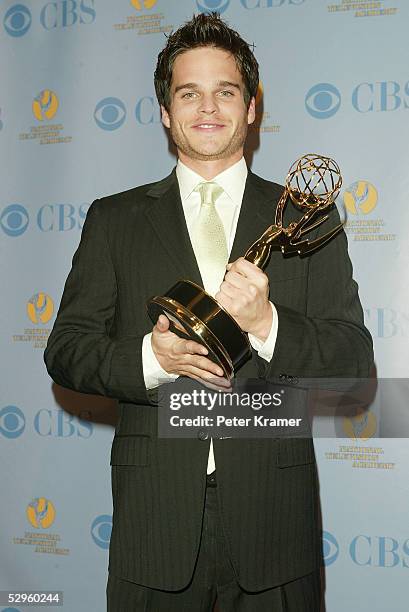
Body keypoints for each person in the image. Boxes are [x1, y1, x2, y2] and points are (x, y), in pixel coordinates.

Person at [44, 12, 373, 612]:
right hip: (155, 526)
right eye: (188, 92)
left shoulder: (307, 216)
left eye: (226, 91)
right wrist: (152, 357)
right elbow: (66, 350)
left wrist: (268, 324)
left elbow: (354, 362)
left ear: (251, 108)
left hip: (277, 529)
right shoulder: (113, 220)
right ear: (166, 112)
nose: (208, 108)